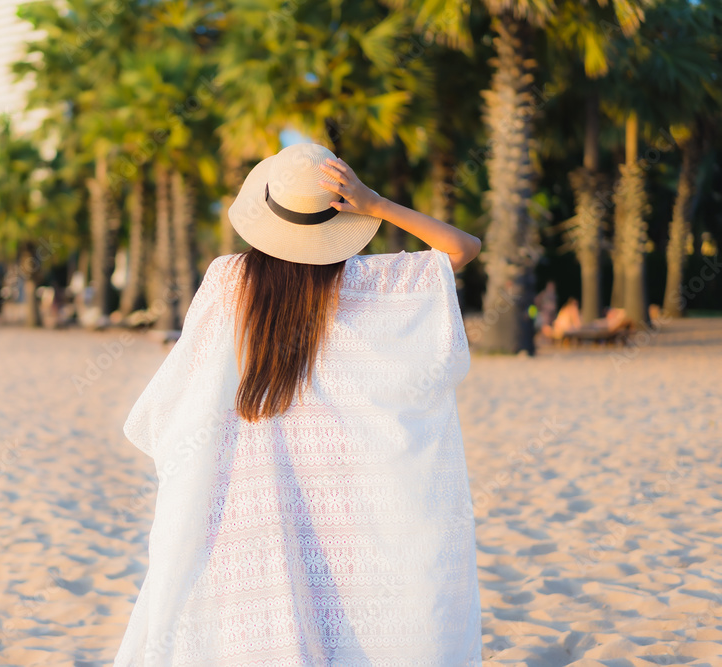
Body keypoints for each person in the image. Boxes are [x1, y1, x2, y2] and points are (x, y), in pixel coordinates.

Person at [114, 143, 483, 665]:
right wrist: (376, 203)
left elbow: (184, 393)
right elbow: (462, 248)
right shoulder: (368, 283)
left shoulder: (228, 279)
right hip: (345, 495)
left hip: (250, 499)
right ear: (338, 218)